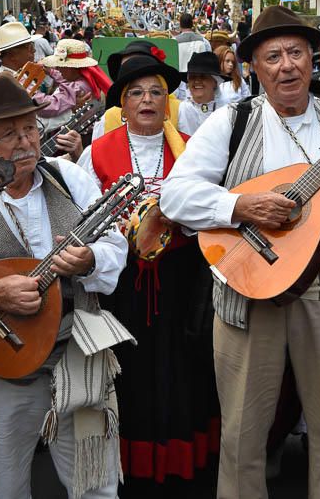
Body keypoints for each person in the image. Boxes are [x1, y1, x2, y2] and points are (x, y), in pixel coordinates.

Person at [160, 5, 320, 499]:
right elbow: (173, 197)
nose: (287, 65)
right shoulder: (231, 122)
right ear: (254, 68)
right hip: (250, 290)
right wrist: (240, 205)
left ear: (313, 60)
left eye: (296, 53)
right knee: (243, 431)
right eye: (273, 56)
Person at [0, 74, 131, 499]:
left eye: (30, 129)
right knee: (5, 488)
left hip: (79, 359)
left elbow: (114, 246)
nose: (26, 143)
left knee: (97, 487)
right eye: (8, 134)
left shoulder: (69, 177)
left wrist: (91, 260)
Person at [79, 56, 220, 498]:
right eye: (136, 93)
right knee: (131, 376)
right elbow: (84, 219)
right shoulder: (96, 152)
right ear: (122, 104)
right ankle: (129, 471)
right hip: (124, 286)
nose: (146, 100)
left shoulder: (194, 148)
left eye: (156, 92)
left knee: (186, 373)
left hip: (182, 282)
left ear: (167, 101)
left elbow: (214, 209)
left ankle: (184, 469)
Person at [178, 51, 225, 135]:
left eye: (203, 76)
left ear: (215, 82)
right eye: (192, 77)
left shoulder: (225, 110)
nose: (197, 81)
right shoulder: (182, 109)